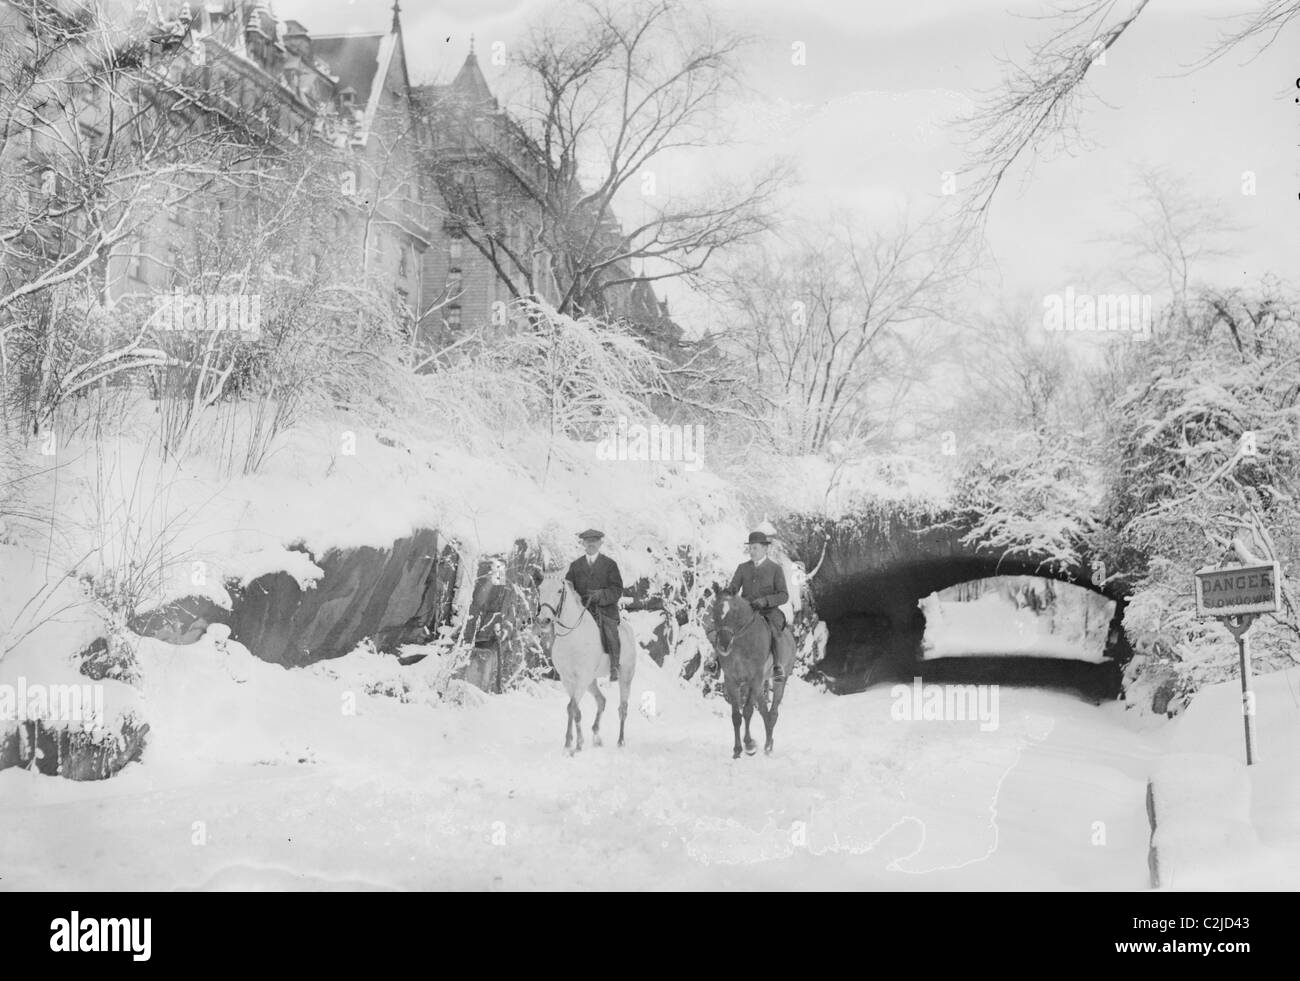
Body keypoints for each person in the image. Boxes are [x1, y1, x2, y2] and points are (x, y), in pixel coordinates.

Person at [727, 531, 789, 682]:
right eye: (750, 548)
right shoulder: (742, 568)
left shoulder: (775, 569)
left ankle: (777, 666)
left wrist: (765, 601)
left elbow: (784, 595)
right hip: (745, 611)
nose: (751, 551)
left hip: (768, 611)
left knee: (775, 630)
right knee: (726, 628)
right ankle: (716, 662)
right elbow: (733, 588)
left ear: (765, 549)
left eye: (755, 548)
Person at [565, 529, 624, 681]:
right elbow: (567, 585)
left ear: (600, 543)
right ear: (583, 543)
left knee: (610, 631)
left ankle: (614, 666)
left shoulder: (610, 565)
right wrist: (573, 594)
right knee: (561, 628)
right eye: (587, 541)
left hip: (604, 609)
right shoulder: (575, 565)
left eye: (594, 541)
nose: (591, 544)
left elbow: (617, 589)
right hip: (582, 608)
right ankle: (559, 666)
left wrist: (601, 595)